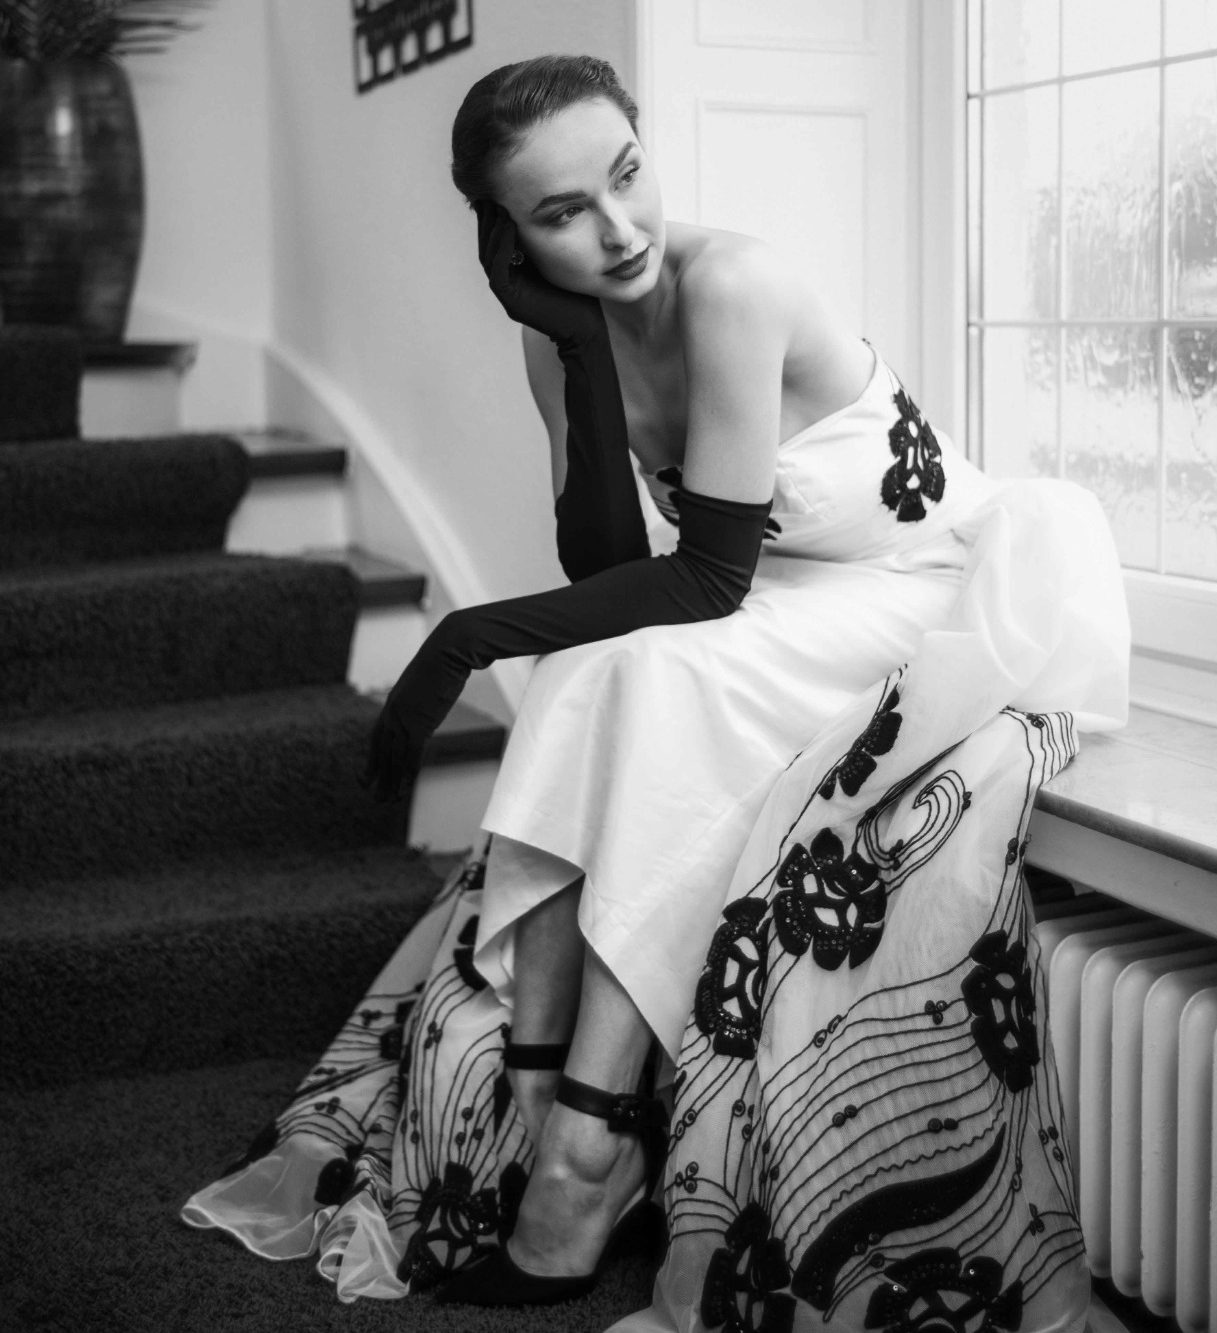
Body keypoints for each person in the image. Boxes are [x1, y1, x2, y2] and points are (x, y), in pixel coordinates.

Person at [182, 54, 1129, 1331]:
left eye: (626, 176)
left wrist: (460, 637)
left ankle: (584, 1145)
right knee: (588, 663)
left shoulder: (730, 284)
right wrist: (577, 347)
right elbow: (605, 568)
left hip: (920, 583)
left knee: (653, 675)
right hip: (781, 593)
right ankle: (543, 1085)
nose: (619, 229)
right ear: (506, 238)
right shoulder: (555, 333)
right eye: (562, 213)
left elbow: (708, 577)